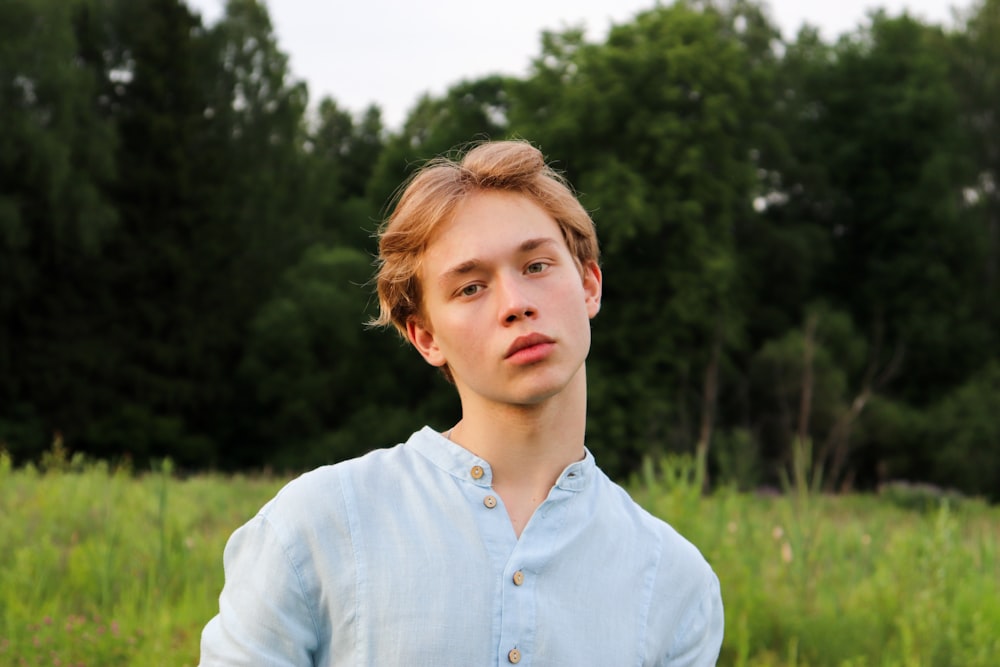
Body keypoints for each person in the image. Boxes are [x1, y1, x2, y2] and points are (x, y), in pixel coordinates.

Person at [199, 140, 724, 665]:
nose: (516, 304)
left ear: (589, 285)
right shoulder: (316, 528)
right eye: (471, 288)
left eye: (537, 266)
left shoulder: (675, 583)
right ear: (425, 336)